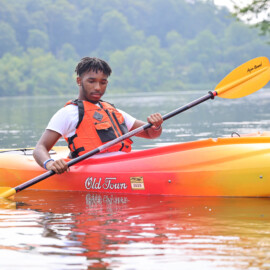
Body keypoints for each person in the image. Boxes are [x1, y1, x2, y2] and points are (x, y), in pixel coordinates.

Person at [33, 57, 163, 174]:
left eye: (103, 82)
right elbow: (40, 148)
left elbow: (150, 134)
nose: (98, 87)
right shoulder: (68, 113)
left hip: (123, 164)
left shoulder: (114, 112)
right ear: (79, 81)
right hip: (90, 169)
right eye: (91, 81)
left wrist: (156, 126)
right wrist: (49, 163)